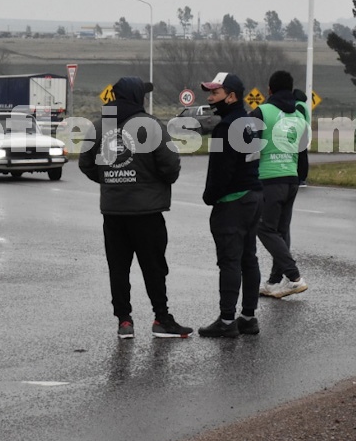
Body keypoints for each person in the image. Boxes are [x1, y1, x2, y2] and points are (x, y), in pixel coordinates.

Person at [79, 77, 192, 339]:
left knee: (118, 268)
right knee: (154, 267)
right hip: (147, 212)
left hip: (113, 212)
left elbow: (85, 163)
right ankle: (161, 319)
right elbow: (170, 164)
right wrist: (156, 182)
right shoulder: (151, 126)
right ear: (136, 97)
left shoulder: (99, 126)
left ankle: (124, 322)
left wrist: (109, 180)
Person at [198, 72, 264, 338]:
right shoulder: (251, 121)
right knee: (249, 258)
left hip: (233, 201)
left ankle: (227, 321)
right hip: (253, 194)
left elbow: (221, 172)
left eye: (215, 93)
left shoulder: (226, 127)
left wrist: (209, 197)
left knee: (230, 261)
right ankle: (248, 317)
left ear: (231, 96)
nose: (210, 98)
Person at [251, 70, 309, 300]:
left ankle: (294, 277)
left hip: (269, 178)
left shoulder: (263, 112)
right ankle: (275, 281)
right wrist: (300, 176)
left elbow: (247, 147)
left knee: (264, 228)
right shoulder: (299, 116)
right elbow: (302, 152)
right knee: (281, 231)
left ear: (269, 90)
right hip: (291, 178)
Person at [293, 88, 311, 187]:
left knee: (300, 157)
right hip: (305, 133)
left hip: (301, 133)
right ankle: (302, 177)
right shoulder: (303, 105)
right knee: (302, 156)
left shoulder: (298, 106)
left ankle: (301, 178)